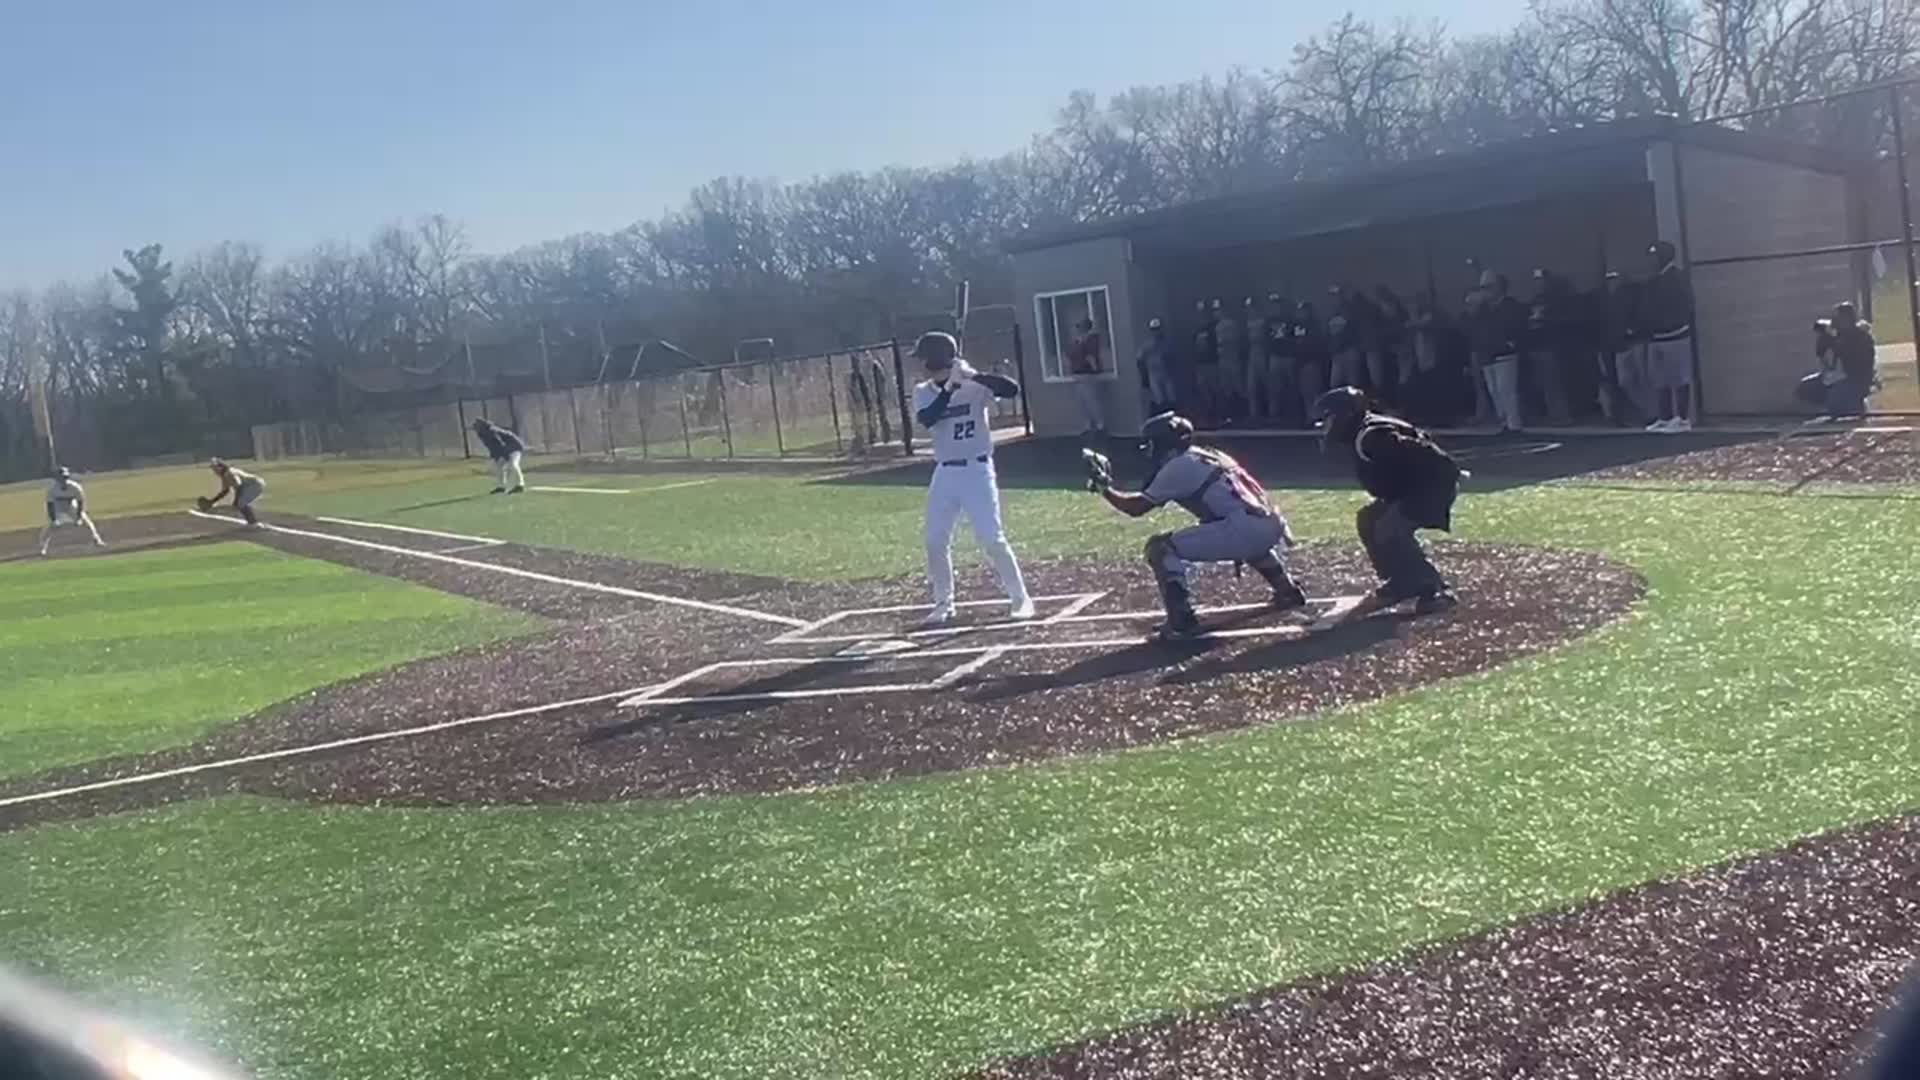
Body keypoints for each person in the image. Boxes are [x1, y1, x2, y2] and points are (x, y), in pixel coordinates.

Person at [1086, 411, 1306, 640]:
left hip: (1247, 527)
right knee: (1244, 533)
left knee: (1160, 548)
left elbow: (1136, 508)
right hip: (1270, 521)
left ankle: (1181, 620)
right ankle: (1286, 589)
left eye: (1152, 444)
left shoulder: (1179, 465)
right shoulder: (1209, 454)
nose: (1149, 450)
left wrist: (1104, 489)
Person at [910, 330, 1033, 626]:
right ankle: (943, 603)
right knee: (935, 540)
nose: (920, 363)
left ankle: (1021, 599)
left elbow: (1011, 389)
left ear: (935, 358)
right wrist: (949, 389)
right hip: (945, 472)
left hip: (977, 471)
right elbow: (928, 419)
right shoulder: (922, 390)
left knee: (991, 538)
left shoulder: (973, 385)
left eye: (924, 357)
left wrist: (973, 376)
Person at [1313, 386, 1462, 620]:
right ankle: (1400, 581)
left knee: (1391, 528)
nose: (1326, 425)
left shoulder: (1372, 436)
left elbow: (1423, 453)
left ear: (1345, 415)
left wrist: (1446, 470)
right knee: (1369, 519)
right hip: (1414, 490)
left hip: (1431, 490)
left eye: (1329, 417)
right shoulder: (1366, 432)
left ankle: (1435, 590)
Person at [1642, 240, 1696, 433]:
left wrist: (1671, 322)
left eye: (1654, 256)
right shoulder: (1655, 279)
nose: (1651, 261)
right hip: (1657, 336)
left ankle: (1682, 419)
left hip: (1675, 335)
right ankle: (1664, 418)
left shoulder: (1676, 277)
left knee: (1679, 378)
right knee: (1660, 379)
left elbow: (1685, 305)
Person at [1471, 274, 1528, 433]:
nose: (1485, 291)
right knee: (1494, 391)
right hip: (1488, 354)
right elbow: (1473, 327)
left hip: (1505, 353)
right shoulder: (1483, 309)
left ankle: (1514, 424)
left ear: (1500, 287)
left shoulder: (1510, 305)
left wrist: (1509, 342)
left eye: (1488, 286)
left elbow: (1516, 327)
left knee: (1506, 390)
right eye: (1483, 287)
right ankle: (1503, 422)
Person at [1800, 301, 1876, 417]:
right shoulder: (1839, 335)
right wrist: (1824, 341)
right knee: (1805, 388)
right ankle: (1840, 404)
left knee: (1835, 401)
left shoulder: (1861, 336)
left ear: (1849, 319)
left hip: (1858, 379)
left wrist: (1835, 341)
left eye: (1839, 318)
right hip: (1840, 378)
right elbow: (1825, 359)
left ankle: (1856, 404)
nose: (1836, 321)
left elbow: (1857, 360)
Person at [37, 466, 106, 556]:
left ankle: (97, 540)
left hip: (71, 506)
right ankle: (42, 548)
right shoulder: (52, 490)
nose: (63, 480)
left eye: (65, 478)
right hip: (58, 507)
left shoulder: (75, 487)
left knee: (86, 521)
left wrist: (78, 517)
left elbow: (80, 502)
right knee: (49, 527)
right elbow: (50, 506)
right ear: (57, 479)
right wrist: (54, 520)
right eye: (61, 478)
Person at [1065, 317, 1108, 437]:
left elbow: (1091, 356)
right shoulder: (1077, 341)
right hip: (1077, 374)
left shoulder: (1091, 339)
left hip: (1087, 373)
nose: (1078, 330)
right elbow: (1070, 354)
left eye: (1080, 327)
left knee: (1092, 400)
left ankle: (1100, 425)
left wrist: (1095, 368)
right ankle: (1088, 424)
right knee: (1082, 401)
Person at [202, 458, 267, 527]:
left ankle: (254, 523)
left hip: (255, 484)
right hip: (251, 485)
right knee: (240, 503)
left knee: (240, 503)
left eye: (214, 468)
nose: (214, 471)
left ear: (220, 467)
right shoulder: (224, 475)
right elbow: (225, 491)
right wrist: (212, 501)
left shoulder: (229, 473)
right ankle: (251, 522)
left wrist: (236, 500)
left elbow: (239, 485)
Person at [471, 417, 527, 493]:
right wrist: (496, 456)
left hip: (515, 446)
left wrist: (505, 456)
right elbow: (492, 447)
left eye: (477, 427)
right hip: (506, 449)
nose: (475, 429)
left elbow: (501, 444)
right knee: (498, 467)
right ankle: (501, 487)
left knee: (513, 465)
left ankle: (520, 485)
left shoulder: (492, 431)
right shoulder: (482, 434)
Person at [1136, 317, 1179, 415]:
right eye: (1154, 330)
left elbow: (1173, 358)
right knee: (1159, 399)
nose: (1156, 332)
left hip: (1167, 374)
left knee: (1171, 397)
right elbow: (1139, 360)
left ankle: (1173, 418)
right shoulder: (1147, 345)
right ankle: (1162, 418)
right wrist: (1144, 377)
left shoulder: (1167, 343)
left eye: (1158, 329)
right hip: (1154, 375)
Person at [1212, 299, 1245, 423]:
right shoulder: (1217, 326)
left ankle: (1242, 415)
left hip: (1233, 359)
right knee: (1226, 389)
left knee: (1239, 387)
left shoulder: (1232, 324)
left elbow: (1235, 341)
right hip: (1223, 360)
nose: (1216, 313)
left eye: (1218, 310)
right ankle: (1230, 417)